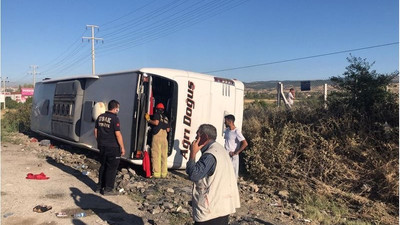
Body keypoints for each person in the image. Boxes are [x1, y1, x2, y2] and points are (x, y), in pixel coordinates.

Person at [186, 124, 240, 225]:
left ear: (204, 137)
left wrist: (192, 154)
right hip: (223, 205)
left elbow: (193, 175)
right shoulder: (220, 149)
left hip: (212, 209)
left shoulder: (210, 155)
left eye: (197, 136)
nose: (195, 139)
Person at [94, 100, 126, 196]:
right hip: (113, 147)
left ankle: (99, 187)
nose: (118, 110)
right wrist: (122, 147)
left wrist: (99, 142)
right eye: (118, 108)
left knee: (103, 166)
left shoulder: (100, 117)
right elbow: (118, 134)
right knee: (112, 168)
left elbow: (95, 131)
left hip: (102, 146)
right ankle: (108, 189)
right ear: (115, 108)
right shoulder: (115, 119)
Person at [145, 103, 170, 178]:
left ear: (157, 109)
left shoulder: (156, 114)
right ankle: (164, 173)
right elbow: (168, 129)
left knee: (156, 155)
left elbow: (156, 122)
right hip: (164, 138)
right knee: (164, 156)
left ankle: (156, 174)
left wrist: (148, 120)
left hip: (157, 137)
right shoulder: (166, 118)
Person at [224, 114, 248, 179]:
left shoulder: (236, 132)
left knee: (233, 175)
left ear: (230, 121)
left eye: (225, 121)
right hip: (226, 154)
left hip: (232, 156)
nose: (224, 122)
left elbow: (245, 143)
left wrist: (236, 152)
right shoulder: (227, 130)